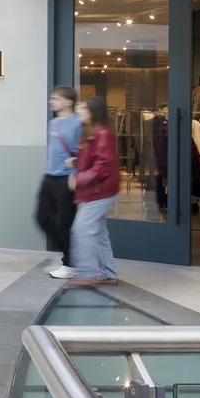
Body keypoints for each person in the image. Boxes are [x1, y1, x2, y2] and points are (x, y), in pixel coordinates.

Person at [67, 97, 121, 286]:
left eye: (83, 108)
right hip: (97, 190)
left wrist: (80, 178)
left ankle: (86, 273)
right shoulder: (90, 132)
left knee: (81, 229)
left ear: (93, 112)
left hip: (102, 190)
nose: (79, 111)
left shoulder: (102, 133)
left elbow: (103, 166)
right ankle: (108, 273)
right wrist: (76, 162)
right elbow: (94, 159)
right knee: (98, 233)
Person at [37, 87, 82, 278]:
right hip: (49, 177)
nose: (51, 101)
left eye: (55, 98)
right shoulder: (53, 123)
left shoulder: (78, 124)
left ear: (68, 102)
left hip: (67, 179)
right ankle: (72, 254)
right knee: (41, 217)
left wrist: (76, 174)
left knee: (64, 222)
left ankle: (70, 264)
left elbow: (84, 152)